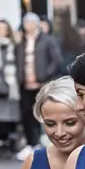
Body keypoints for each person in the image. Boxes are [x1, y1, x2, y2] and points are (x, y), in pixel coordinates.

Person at [20, 12, 65, 151]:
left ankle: (46, 139)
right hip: (25, 83)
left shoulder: (47, 40)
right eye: (26, 23)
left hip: (42, 83)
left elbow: (56, 59)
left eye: (31, 22)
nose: (28, 26)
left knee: (45, 111)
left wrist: (45, 75)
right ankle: (31, 143)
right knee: (27, 113)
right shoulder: (21, 41)